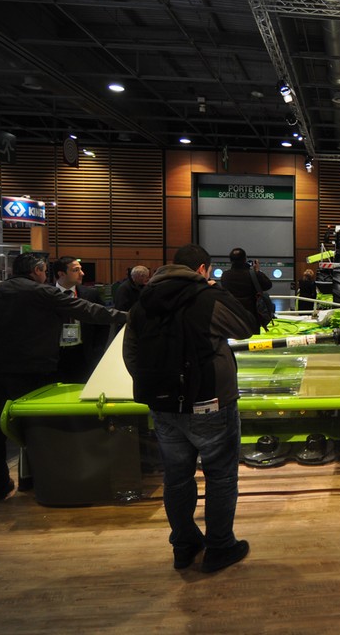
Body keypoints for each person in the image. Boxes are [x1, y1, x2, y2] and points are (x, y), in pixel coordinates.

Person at [0, 253, 127, 502]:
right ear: (37, 271)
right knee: (35, 428)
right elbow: (87, 310)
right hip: (29, 369)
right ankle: (37, 480)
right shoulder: (43, 293)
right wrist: (127, 317)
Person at [123, 244, 257, 573]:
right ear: (202, 269)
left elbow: (131, 355)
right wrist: (216, 289)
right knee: (221, 476)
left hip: (163, 407)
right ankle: (220, 546)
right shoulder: (206, 298)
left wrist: (161, 390)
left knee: (177, 478)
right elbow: (246, 327)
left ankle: (184, 546)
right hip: (210, 404)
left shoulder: (143, 302)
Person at [52, 256, 111, 384]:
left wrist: (98, 349)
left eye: (81, 269)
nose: (82, 273)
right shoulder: (46, 294)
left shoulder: (90, 294)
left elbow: (103, 321)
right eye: (76, 270)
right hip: (55, 354)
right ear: (61, 274)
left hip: (83, 353)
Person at [220, 247, 272, 330]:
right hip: (252, 316)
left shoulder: (225, 275)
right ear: (245, 259)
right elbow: (268, 285)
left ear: (231, 260)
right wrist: (257, 271)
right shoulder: (253, 274)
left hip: (232, 316)